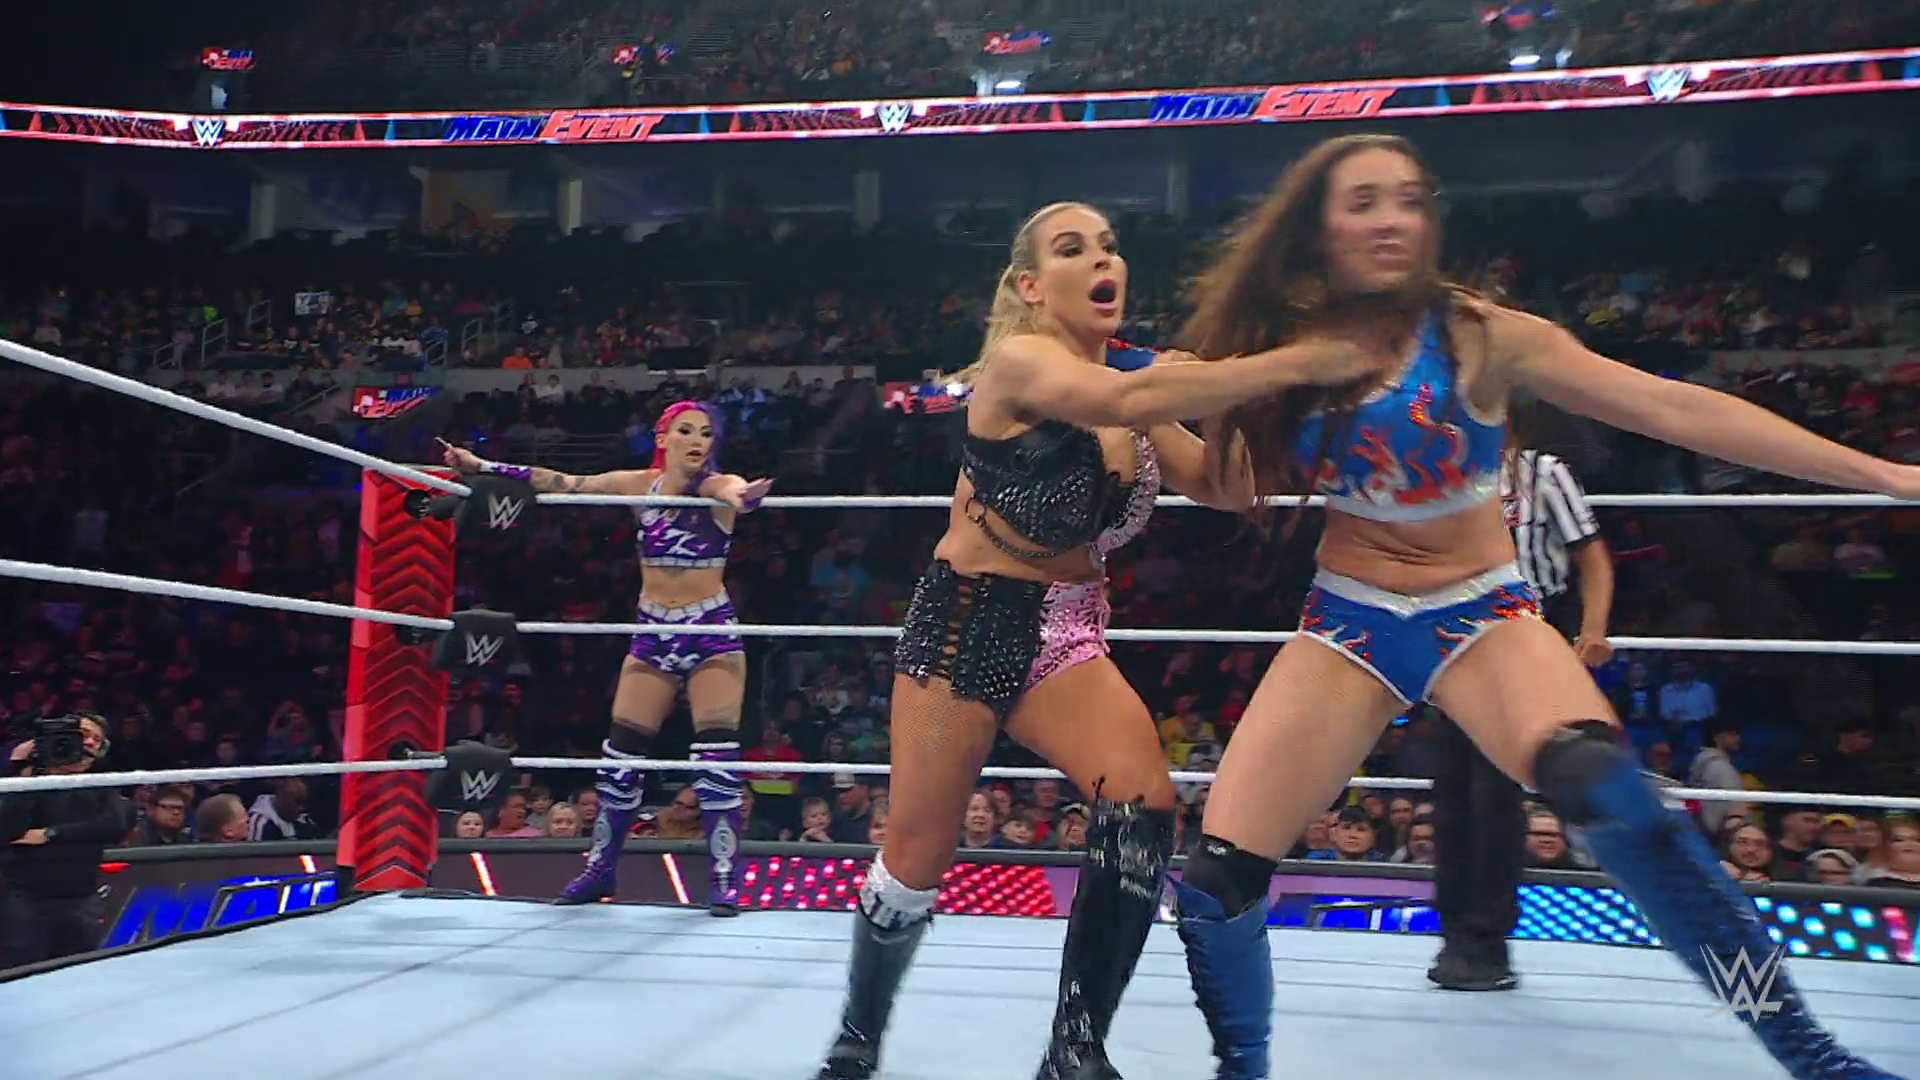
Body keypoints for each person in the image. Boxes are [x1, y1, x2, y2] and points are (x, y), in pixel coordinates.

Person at [1167, 133, 1908, 1080]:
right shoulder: (1283, 347)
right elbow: (1232, 488)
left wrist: (1883, 475)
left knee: (1607, 788)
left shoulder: (1478, 336)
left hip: (1479, 611)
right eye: (1364, 201)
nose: (1392, 220)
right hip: (1349, 618)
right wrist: (1170, 402)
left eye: (1409, 200)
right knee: (1216, 881)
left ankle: (1814, 1058)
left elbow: (1674, 409)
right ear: (1319, 228)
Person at [812, 200, 1343, 1080]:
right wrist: (1254, 367)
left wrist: (1236, 402)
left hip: (1065, 630)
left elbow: (1229, 487)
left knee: (1143, 806)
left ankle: (1075, 1046)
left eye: (1110, 245)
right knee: (915, 855)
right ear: (1031, 285)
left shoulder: (1139, 398)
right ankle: (858, 1034)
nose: (1103, 259)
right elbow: (1126, 395)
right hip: (968, 622)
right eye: (1073, 248)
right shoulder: (1021, 367)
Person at [440, 404, 772, 915]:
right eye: (686, 431)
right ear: (662, 437)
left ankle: (725, 880)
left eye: (706, 433)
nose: (697, 441)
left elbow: (729, 490)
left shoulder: (714, 485)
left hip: (709, 632)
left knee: (715, 759)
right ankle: (601, 869)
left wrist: (743, 495)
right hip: (652, 630)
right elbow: (565, 482)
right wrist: (481, 466)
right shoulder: (640, 485)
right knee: (620, 758)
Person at [1428, 413, 1615, 991]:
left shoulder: (1544, 473)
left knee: (1494, 793)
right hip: (1452, 635)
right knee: (1451, 791)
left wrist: (1593, 629)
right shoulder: (1440, 476)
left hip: (1525, 631)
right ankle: (1456, 933)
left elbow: (1592, 555)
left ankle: (1487, 942)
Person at [0, 714, 130, 968]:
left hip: (81, 898)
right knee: (22, 974)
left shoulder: (99, 783)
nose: (90, 742)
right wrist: (19, 771)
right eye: (84, 734)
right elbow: (8, 828)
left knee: (78, 974)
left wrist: (51, 833)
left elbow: (114, 824)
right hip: (28, 899)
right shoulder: (29, 779)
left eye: (97, 739)